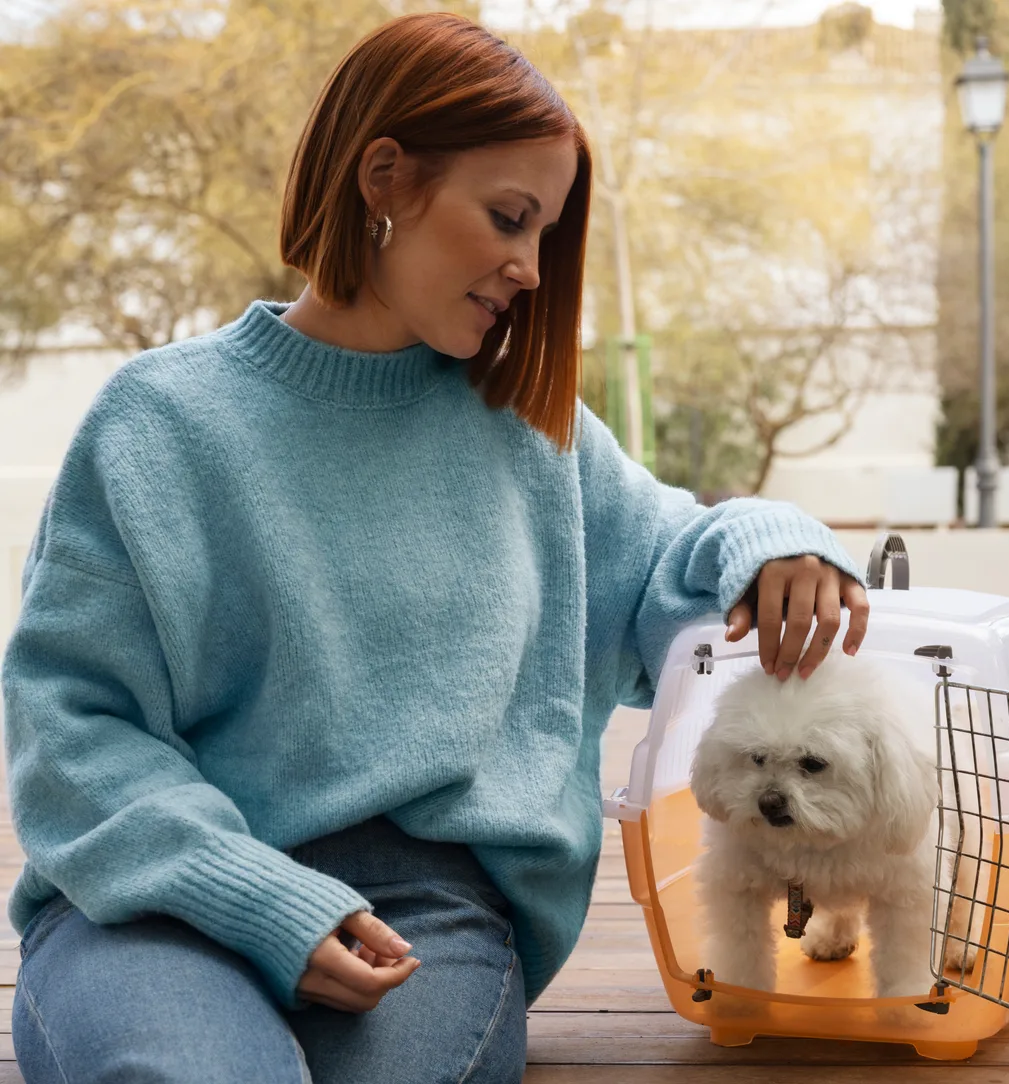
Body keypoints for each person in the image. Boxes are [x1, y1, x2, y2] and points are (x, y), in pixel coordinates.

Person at [2, 12, 869, 1084]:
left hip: (424, 916)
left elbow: (676, 559)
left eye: (546, 235)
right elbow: (71, 725)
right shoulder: (158, 425)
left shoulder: (529, 433)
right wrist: (258, 895)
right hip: (158, 899)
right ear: (384, 178)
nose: (529, 268)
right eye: (510, 218)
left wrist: (782, 543)